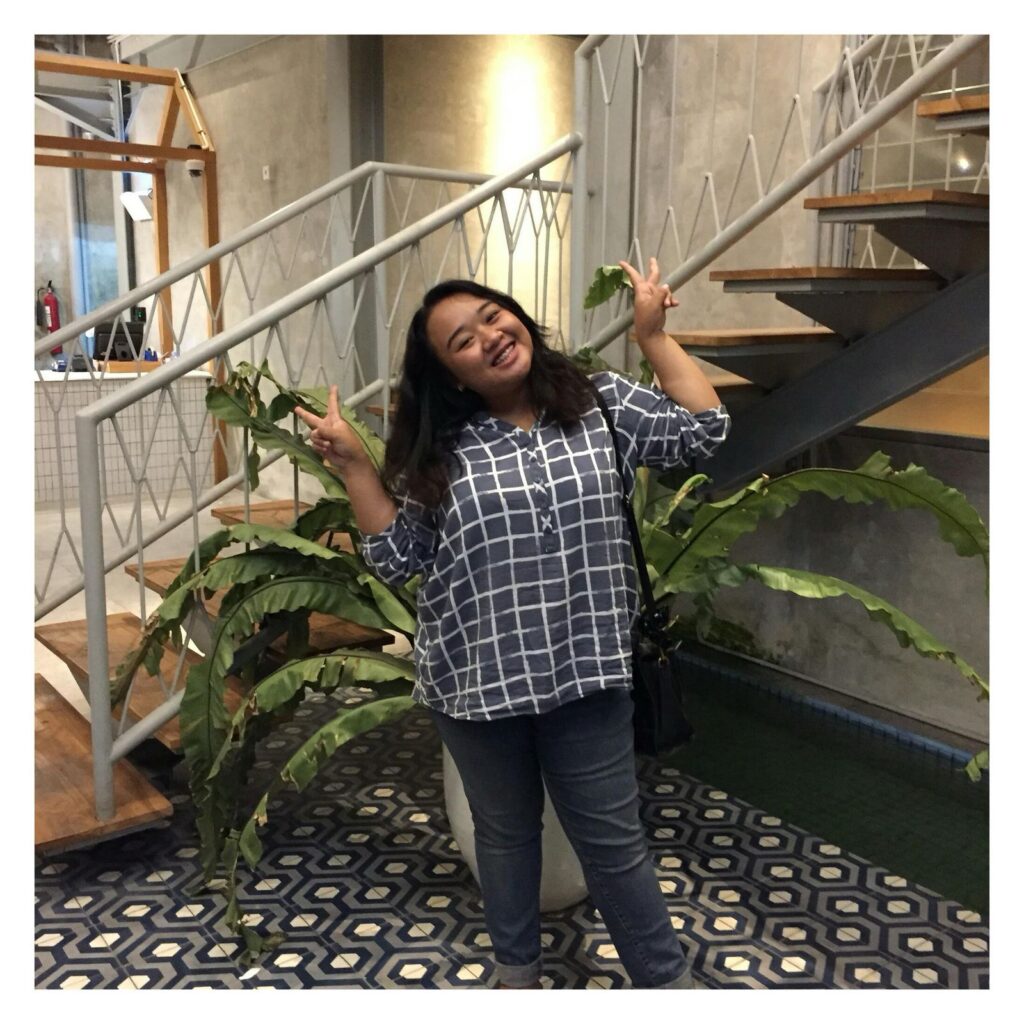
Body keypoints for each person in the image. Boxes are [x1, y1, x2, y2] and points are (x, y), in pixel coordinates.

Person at [294, 258, 730, 989]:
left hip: (586, 673)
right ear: (452, 376)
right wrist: (356, 471)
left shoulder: (598, 402)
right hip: (475, 684)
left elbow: (703, 432)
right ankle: (517, 978)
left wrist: (653, 338)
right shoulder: (440, 449)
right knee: (504, 837)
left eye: (493, 316)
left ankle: (667, 987)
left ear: (518, 318)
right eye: (463, 341)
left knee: (614, 844)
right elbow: (398, 557)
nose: (489, 337)